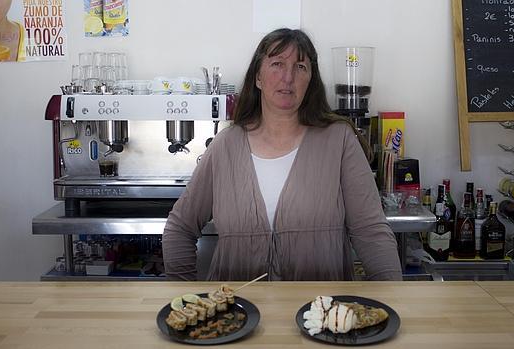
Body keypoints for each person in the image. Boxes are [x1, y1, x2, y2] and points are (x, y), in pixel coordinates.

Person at [163, 28, 402, 281]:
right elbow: (180, 228)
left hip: (321, 315)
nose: (288, 77)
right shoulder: (225, 146)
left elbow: (371, 232)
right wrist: (184, 298)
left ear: (310, 80)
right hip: (236, 317)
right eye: (277, 64)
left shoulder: (340, 142)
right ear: (258, 77)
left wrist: (390, 300)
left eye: (300, 67)